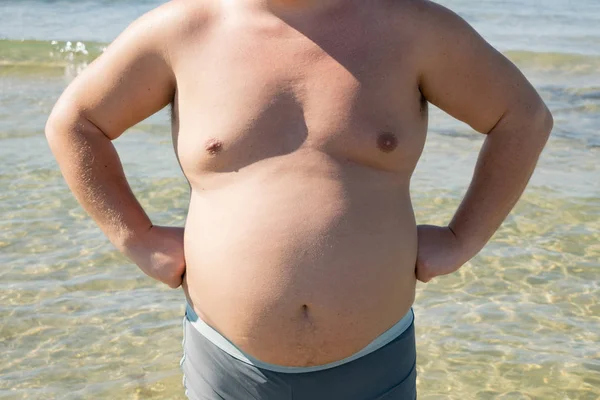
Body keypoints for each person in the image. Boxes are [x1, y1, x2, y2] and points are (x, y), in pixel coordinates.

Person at [45, 0, 553, 398]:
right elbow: (76, 123)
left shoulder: (413, 28)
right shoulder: (183, 29)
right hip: (227, 363)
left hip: (376, 361)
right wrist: (138, 238)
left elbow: (522, 118)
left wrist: (464, 238)